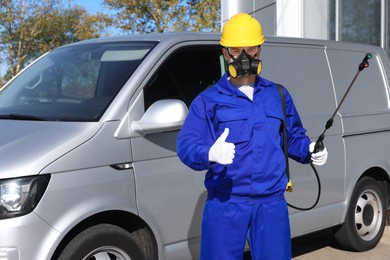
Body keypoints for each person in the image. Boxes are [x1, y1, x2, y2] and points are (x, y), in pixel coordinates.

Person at [176, 13, 328, 260]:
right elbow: (186, 145)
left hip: (271, 204)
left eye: (251, 49)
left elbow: (293, 136)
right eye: (236, 50)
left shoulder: (277, 94)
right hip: (226, 203)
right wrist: (209, 153)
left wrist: (309, 150)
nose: (244, 57)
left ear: (260, 50)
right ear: (225, 53)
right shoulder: (208, 101)